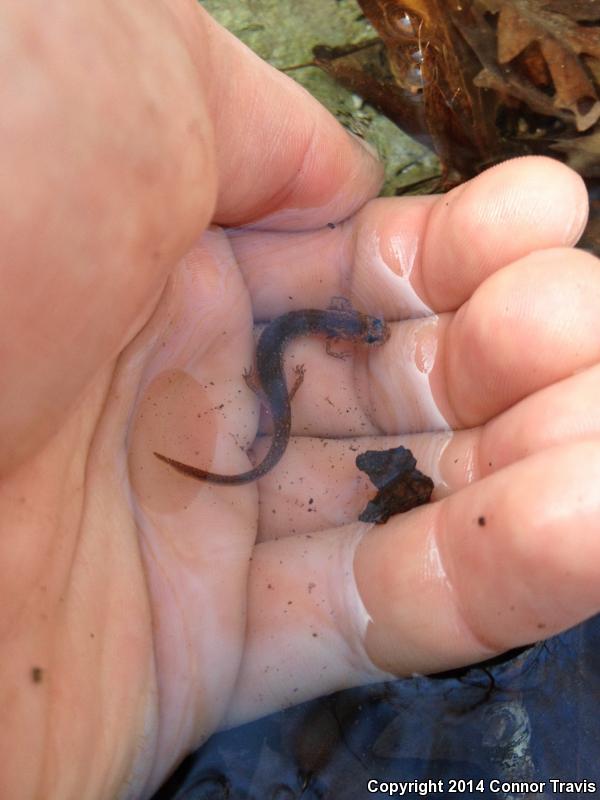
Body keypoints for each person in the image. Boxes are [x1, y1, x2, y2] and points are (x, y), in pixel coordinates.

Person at [1, 2, 598, 798]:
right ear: (353, 334)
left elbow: (303, 338)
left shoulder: (328, 331)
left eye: (366, 336)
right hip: (271, 372)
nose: (367, 337)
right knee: (280, 392)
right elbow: (301, 343)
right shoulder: (326, 339)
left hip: (276, 369)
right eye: (368, 335)